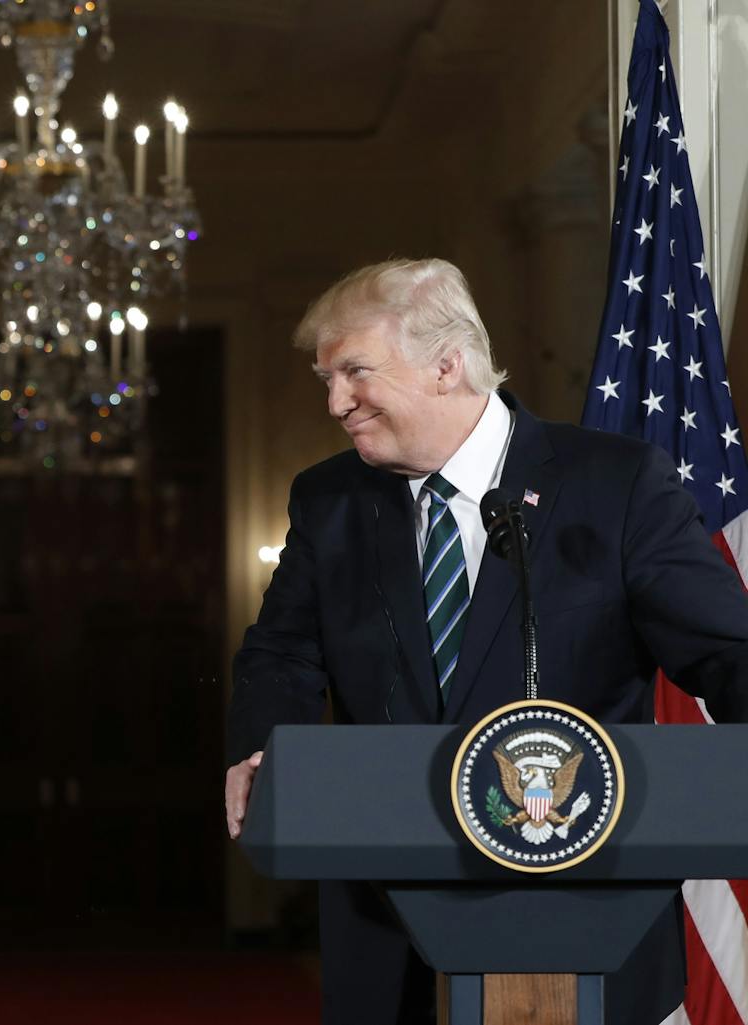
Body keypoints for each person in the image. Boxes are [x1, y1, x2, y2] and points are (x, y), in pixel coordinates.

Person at [223, 258, 748, 1025]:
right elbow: (283, 652)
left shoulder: (617, 484)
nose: (337, 401)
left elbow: (726, 652)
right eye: (325, 379)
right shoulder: (329, 499)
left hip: (588, 911)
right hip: (389, 919)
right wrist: (265, 746)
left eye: (355, 371)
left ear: (446, 365)